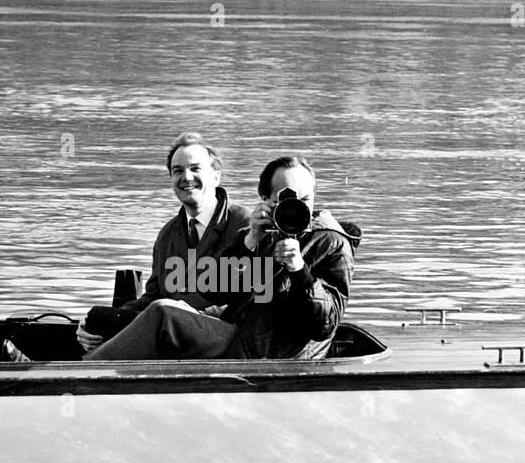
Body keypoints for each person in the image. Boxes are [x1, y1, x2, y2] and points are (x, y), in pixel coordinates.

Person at [0, 132, 249, 362]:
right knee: (99, 318)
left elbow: (256, 298)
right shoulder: (169, 234)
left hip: (225, 335)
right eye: (177, 170)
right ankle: (50, 364)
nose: (186, 178)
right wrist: (98, 323)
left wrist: (198, 311)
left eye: (195, 169)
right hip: (171, 331)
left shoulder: (244, 225)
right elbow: (154, 295)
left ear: (216, 175)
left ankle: (70, 375)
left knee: (163, 312)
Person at [85, 155, 357, 361]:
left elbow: (324, 324)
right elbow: (212, 289)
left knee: (163, 314)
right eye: (285, 200)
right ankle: (89, 370)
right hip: (243, 338)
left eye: (304, 200)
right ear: (265, 200)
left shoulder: (330, 242)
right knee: (164, 309)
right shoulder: (258, 235)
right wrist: (250, 242)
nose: (296, 210)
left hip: (279, 357)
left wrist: (299, 270)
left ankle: (84, 375)